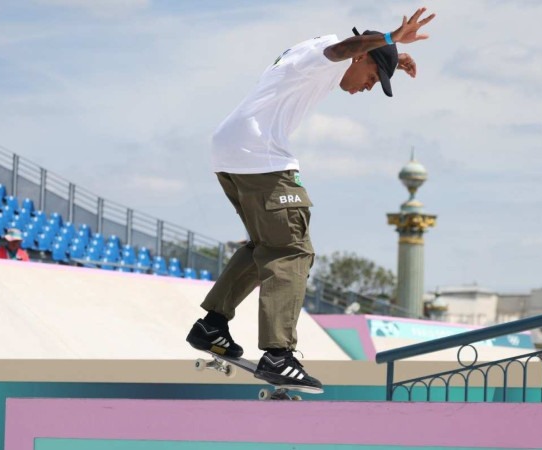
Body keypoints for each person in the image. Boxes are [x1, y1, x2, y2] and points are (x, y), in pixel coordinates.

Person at [186, 7, 436, 391]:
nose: (368, 87)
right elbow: (345, 50)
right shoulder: (324, 54)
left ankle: (212, 326)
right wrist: (389, 38)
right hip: (260, 157)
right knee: (292, 251)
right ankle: (277, 355)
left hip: (232, 154)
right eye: (373, 77)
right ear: (361, 57)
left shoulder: (325, 58)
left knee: (265, 245)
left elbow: (353, 54)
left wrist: (391, 59)